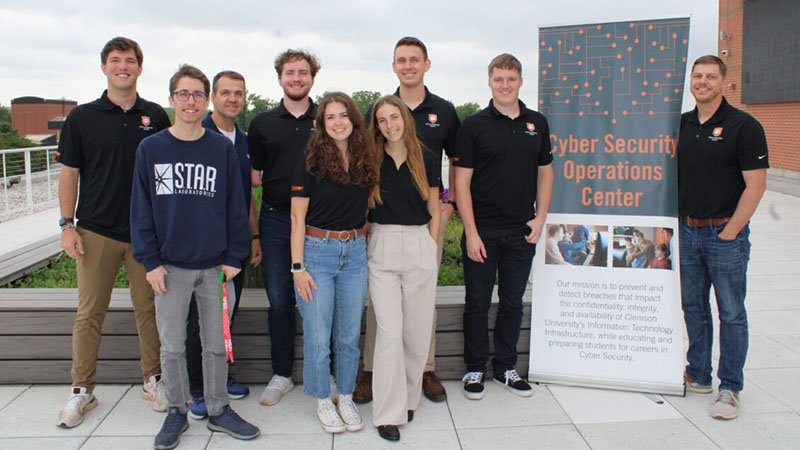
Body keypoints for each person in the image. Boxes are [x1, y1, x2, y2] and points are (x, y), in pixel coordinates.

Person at [131, 65, 260, 448]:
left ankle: (219, 410)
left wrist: (236, 256)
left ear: (206, 101)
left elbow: (237, 207)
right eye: (183, 94)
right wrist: (150, 261)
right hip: (169, 267)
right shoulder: (151, 149)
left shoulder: (220, 148)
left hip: (215, 267)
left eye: (197, 95)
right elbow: (140, 210)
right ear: (172, 99)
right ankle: (176, 411)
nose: (190, 102)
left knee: (216, 345)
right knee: (171, 346)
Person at [56, 37, 170, 429]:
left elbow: (166, 176)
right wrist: (67, 225)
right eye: (115, 60)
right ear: (104, 67)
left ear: (140, 67)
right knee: (89, 313)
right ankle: (81, 390)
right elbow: (69, 173)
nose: (123, 66)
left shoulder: (156, 116)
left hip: (146, 233)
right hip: (95, 230)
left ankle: (153, 379)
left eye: (131, 60)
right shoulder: (82, 118)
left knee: (150, 311)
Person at [356, 36, 460, 404]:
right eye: (401, 60)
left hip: (426, 223)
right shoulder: (379, 110)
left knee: (421, 303)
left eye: (415, 59)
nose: (408, 65)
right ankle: (372, 371)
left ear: (426, 64)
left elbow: (457, 164)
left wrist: (451, 205)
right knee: (380, 307)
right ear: (394, 65)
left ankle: (425, 369)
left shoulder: (444, 111)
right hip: (384, 227)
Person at [454, 53, 553, 399]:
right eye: (499, 79)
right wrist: (471, 232)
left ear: (521, 81)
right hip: (483, 231)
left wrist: (541, 218)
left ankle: (507, 369)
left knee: (512, 301)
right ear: (490, 82)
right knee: (477, 302)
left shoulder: (537, 123)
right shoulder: (474, 126)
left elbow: (545, 172)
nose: (505, 85)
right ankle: (474, 369)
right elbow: (460, 182)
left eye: (511, 79)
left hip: (521, 231)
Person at [678, 55, 768, 420]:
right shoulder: (681, 124)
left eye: (710, 76)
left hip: (724, 234)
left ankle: (729, 387)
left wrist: (731, 231)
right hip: (686, 231)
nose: (702, 81)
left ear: (723, 82)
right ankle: (698, 374)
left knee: (731, 313)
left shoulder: (743, 126)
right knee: (694, 309)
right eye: (697, 76)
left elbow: (756, 185)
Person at [290, 92, 377, 434]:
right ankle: (322, 399)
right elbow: (297, 219)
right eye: (330, 117)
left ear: (354, 121)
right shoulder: (311, 161)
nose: (338, 122)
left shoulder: (364, 159)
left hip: (355, 253)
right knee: (317, 333)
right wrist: (298, 268)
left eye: (344, 115)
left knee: (349, 336)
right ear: (321, 124)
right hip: (317, 253)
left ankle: (345, 395)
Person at [184, 70, 262, 420]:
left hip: (235, 246)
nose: (232, 99)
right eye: (225, 92)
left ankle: (220, 377)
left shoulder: (243, 139)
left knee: (226, 316)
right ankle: (197, 389)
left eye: (239, 93)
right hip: (201, 248)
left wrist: (254, 235)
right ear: (212, 97)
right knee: (196, 320)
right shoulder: (199, 135)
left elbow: (245, 196)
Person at [248, 49, 320, 406]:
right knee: (279, 300)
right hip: (276, 220)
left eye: (303, 72)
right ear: (279, 77)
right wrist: (255, 233)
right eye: (290, 73)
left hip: (319, 223)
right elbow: (254, 180)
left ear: (312, 77)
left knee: (321, 302)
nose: (296, 78)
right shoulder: (262, 124)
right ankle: (281, 374)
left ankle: (325, 372)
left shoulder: (326, 118)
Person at [366, 95, 440, 441]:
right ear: (376, 125)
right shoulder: (370, 158)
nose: (389, 125)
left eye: (394, 117)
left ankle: (410, 399)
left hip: (419, 243)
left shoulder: (425, 156)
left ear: (405, 119)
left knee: (416, 332)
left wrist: (431, 244)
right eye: (382, 120)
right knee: (390, 332)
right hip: (382, 245)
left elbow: (435, 207)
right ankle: (387, 413)